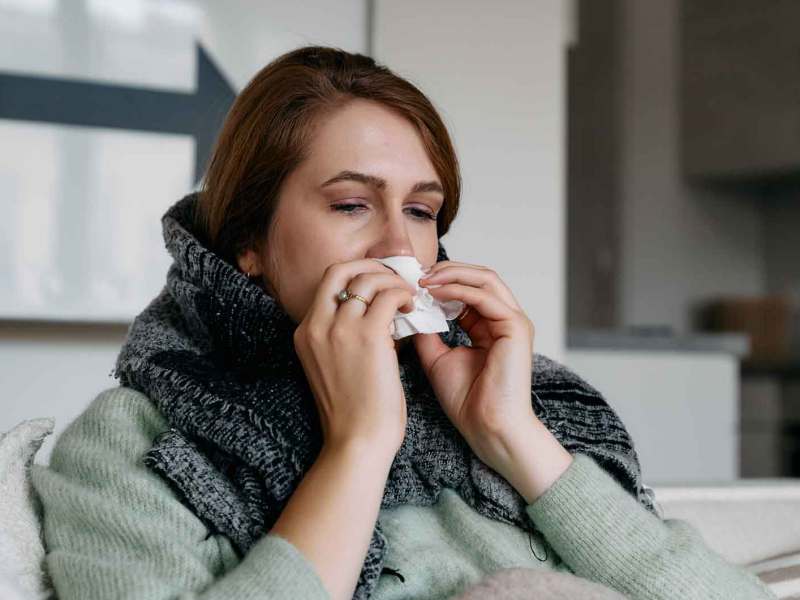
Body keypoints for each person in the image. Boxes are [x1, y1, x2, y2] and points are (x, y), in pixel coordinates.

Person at [31, 45, 776, 600]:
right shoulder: (134, 444)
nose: (397, 246)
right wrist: (357, 449)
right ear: (248, 243)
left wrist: (512, 436)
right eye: (352, 204)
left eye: (421, 211)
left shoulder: (528, 407)